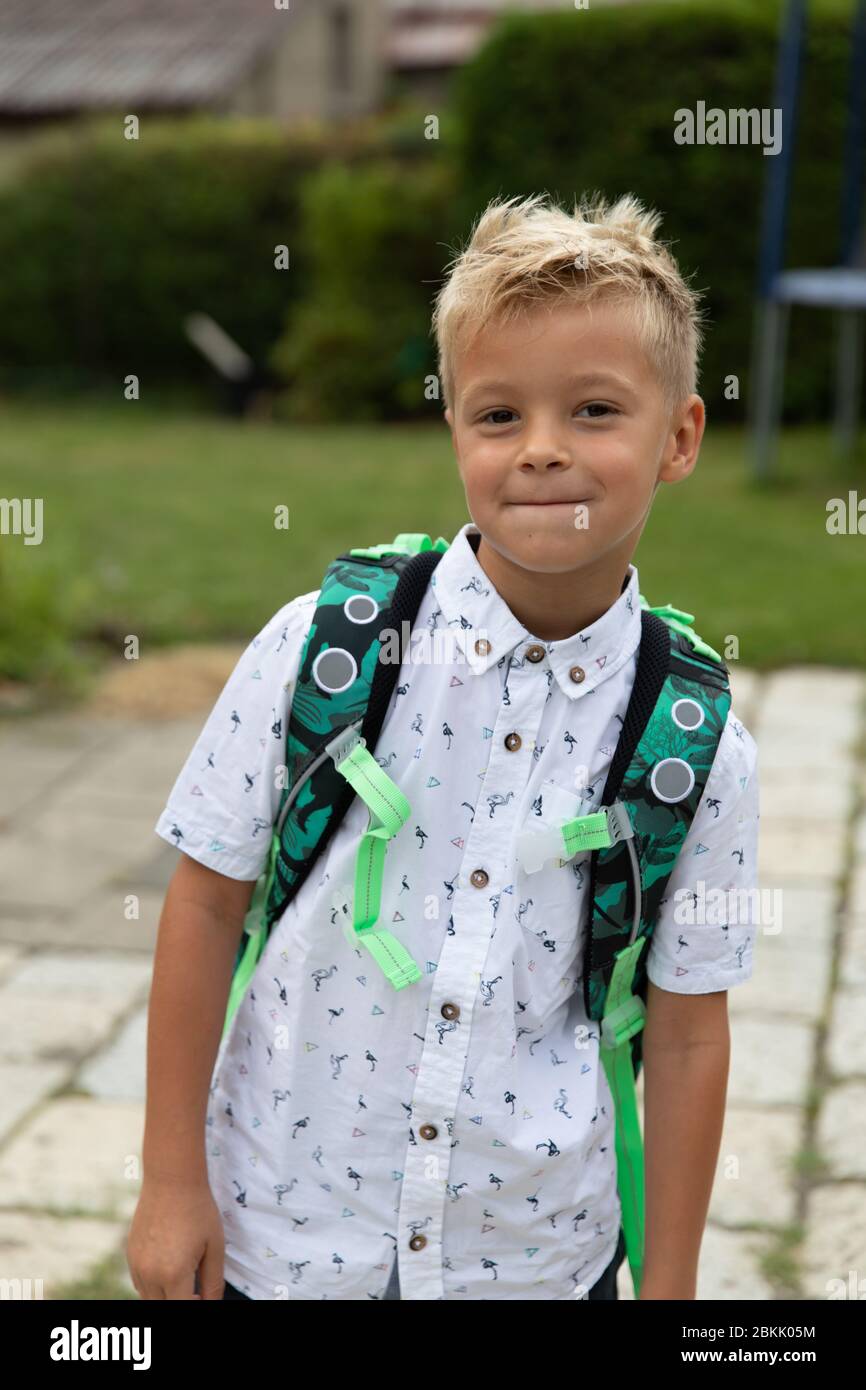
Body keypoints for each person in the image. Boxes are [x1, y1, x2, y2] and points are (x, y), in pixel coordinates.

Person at [126, 191, 760, 1301]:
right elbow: (204, 901)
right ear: (455, 429)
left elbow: (689, 1031)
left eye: (595, 411)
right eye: (499, 415)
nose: (543, 451)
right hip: (287, 1237)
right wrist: (171, 1180)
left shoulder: (693, 743)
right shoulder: (322, 648)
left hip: (530, 1261)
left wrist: (670, 1287)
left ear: (679, 436)